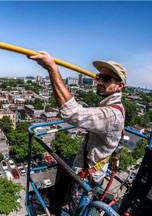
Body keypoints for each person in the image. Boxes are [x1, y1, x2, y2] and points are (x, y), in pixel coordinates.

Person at [29, 51, 126, 187]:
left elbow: (72, 112)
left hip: (87, 179)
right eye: (99, 77)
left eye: (106, 79)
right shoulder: (116, 107)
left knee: (74, 206)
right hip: (85, 172)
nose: (99, 82)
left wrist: (52, 68)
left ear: (120, 86)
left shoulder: (112, 115)